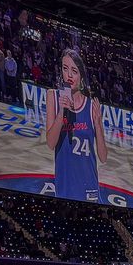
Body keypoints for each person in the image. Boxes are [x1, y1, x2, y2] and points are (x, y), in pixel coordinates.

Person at [46, 49, 108, 203]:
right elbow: (50, 143)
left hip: (89, 188)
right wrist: (62, 113)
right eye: (65, 68)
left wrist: (99, 124)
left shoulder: (90, 104)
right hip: (66, 187)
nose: (69, 75)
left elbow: (103, 157)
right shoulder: (53, 96)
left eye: (74, 70)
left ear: (81, 75)